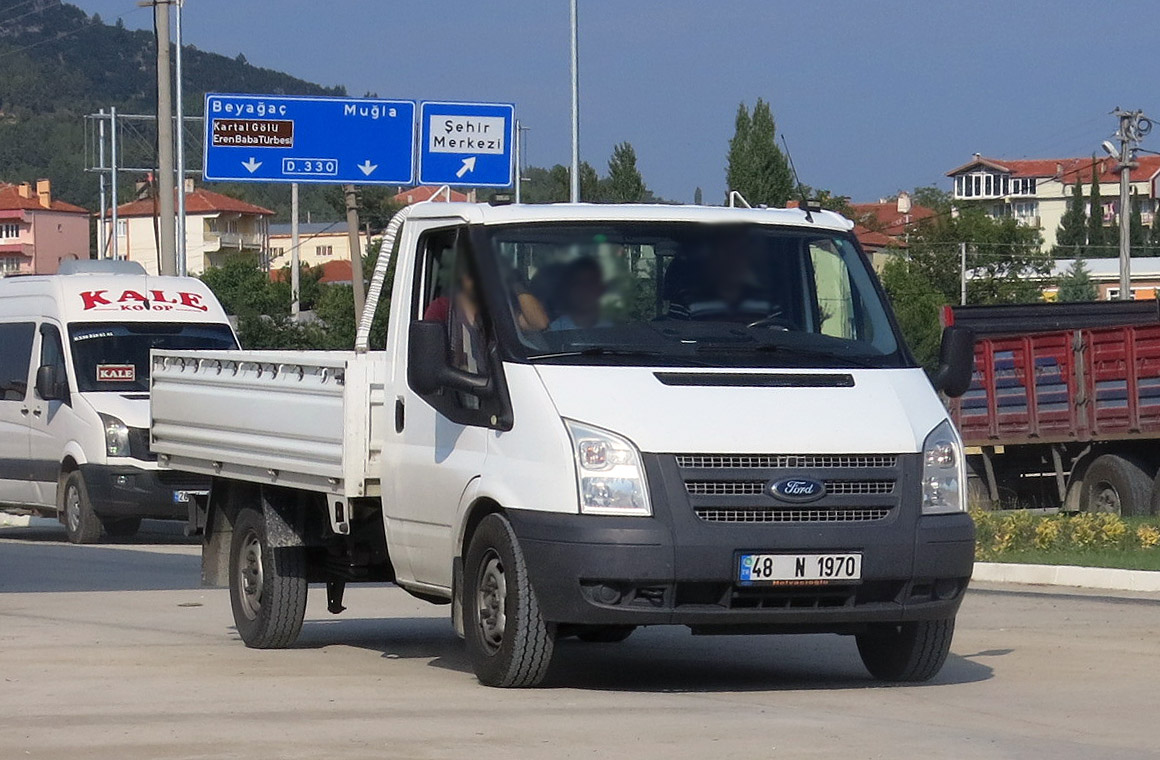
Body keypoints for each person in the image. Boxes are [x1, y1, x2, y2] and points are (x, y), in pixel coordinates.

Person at [550, 257, 610, 330]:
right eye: (578, 283)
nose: (584, 290)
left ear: (600, 288)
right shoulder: (556, 328)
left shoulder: (612, 328)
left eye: (590, 283)